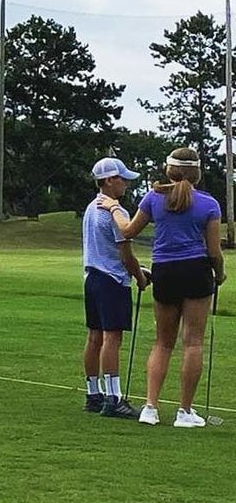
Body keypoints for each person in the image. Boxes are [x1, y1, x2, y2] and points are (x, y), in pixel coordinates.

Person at [101, 147, 225, 428]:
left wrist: (113, 209)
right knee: (192, 342)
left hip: (165, 272)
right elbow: (214, 252)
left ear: (169, 170)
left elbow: (128, 231)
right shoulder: (209, 204)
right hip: (196, 272)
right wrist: (220, 274)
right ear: (197, 172)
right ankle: (184, 412)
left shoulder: (154, 197)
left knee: (162, 343)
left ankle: (150, 408)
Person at [81, 158, 150, 419]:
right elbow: (125, 256)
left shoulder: (90, 208)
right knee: (112, 338)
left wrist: (138, 269)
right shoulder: (116, 212)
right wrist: (139, 277)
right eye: (122, 178)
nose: (126, 183)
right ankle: (114, 399)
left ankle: (93, 394)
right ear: (109, 180)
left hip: (93, 278)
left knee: (94, 337)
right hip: (112, 280)